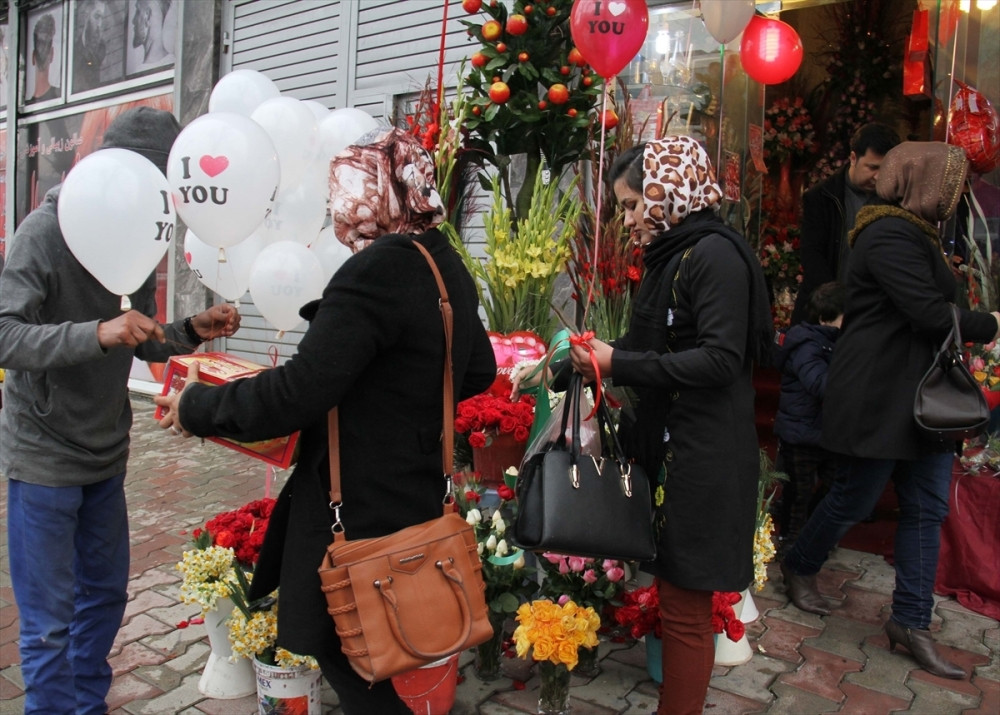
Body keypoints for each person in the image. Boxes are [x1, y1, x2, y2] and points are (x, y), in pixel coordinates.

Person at [153, 128, 497, 714]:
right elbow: (476, 368)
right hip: (412, 486)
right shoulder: (441, 259)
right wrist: (400, 400)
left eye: (343, 192)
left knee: (346, 641)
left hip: (355, 498)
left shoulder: (377, 270)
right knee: (376, 640)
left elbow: (299, 392)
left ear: (370, 194)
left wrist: (198, 407)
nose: (337, 209)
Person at [516, 136, 773, 715]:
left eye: (633, 204)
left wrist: (618, 363)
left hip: (703, 458)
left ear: (668, 193)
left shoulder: (714, 256)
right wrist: (579, 360)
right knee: (677, 603)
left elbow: (721, 360)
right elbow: (647, 344)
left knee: (685, 610)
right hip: (673, 448)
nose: (628, 219)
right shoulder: (672, 256)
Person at [0, 107, 241, 714]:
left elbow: (141, 334)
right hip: (43, 455)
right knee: (49, 625)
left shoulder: (136, 229)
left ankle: (88, 704)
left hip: (106, 454)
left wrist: (191, 329)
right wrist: (96, 333)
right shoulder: (44, 231)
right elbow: (5, 335)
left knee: (105, 597)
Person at [780, 142, 1000, 679]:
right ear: (919, 182)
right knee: (853, 498)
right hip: (878, 395)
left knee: (927, 507)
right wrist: (990, 323)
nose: (955, 195)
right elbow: (927, 312)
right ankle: (800, 564)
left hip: (921, 397)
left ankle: (911, 622)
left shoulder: (919, 233)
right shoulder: (886, 233)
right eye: (949, 183)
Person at [790, 123, 901, 325]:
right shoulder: (821, 197)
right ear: (853, 158)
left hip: (874, 315)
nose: (878, 176)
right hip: (826, 312)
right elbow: (812, 255)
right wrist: (835, 304)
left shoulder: (895, 201)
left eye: (885, 169)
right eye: (872, 167)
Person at [773, 281, 845, 552]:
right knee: (799, 491)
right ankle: (791, 541)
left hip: (826, 430)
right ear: (827, 317)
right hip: (800, 431)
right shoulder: (807, 343)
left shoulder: (835, 342)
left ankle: (812, 533)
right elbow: (819, 384)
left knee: (834, 485)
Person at [73, 0, 110, 92]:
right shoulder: (73, 51)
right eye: (97, 17)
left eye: (102, 18)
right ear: (86, 16)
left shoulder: (102, 48)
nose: (99, 24)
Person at [131, 0, 174, 71]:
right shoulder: (173, 63)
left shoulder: (171, 67)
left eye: (138, 12)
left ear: (147, 17)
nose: (133, 20)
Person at [30, 12, 60, 101]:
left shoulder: (59, 96)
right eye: (40, 44)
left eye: (46, 44)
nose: (43, 50)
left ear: (52, 54)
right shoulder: (27, 105)